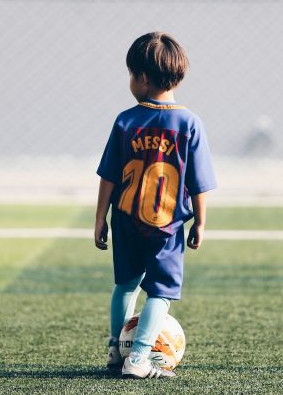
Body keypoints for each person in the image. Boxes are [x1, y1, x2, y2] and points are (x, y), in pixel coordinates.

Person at [94, 32, 217, 379]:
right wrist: (201, 223)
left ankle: (116, 352)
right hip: (167, 224)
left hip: (126, 219)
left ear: (144, 78)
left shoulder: (125, 121)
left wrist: (100, 219)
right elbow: (198, 182)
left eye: (131, 74)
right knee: (160, 293)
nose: (130, 81)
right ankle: (139, 359)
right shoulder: (189, 123)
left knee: (126, 285)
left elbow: (108, 176)